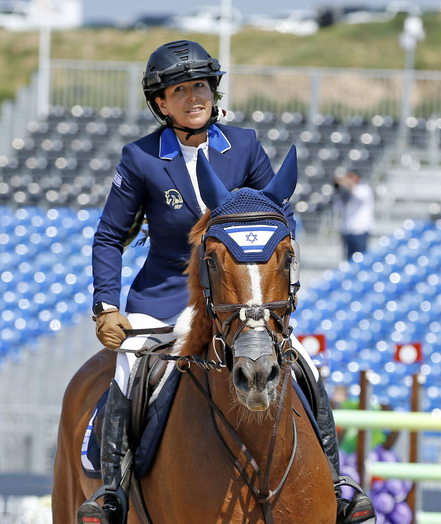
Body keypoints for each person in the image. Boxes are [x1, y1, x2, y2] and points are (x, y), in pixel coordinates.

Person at [80, 39, 374, 524]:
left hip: (239, 295)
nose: (194, 97)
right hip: (166, 295)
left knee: (306, 365)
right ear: (160, 103)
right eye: (180, 90)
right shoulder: (140, 158)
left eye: (201, 86)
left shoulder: (245, 145)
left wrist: (269, 275)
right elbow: (109, 237)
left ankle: (337, 485)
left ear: (214, 91)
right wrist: (105, 305)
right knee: (130, 370)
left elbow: (280, 218)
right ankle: (113, 493)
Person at [333, 170, 374, 261]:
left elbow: (357, 195)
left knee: (360, 259)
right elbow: (337, 208)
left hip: (360, 231)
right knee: (348, 260)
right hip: (347, 230)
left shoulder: (364, 189)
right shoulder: (343, 194)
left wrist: (346, 182)